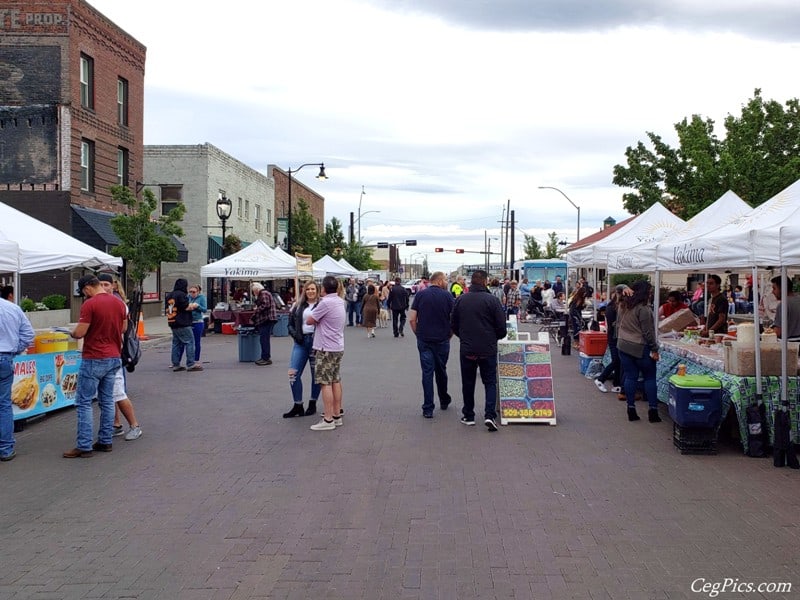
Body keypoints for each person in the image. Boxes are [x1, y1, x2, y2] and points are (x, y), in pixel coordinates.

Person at [63, 275, 128, 457]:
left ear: (87, 288)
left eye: (84, 292)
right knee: (107, 401)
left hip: (94, 356)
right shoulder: (119, 303)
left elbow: (81, 332)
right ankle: (105, 441)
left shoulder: (90, 304)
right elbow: (123, 328)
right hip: (114, 356)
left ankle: (84, 445)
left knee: (84, 402)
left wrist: (73, 333)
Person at [450, 269, 507, 432]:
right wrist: (494, 337)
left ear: (471, 281)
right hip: (488, 348)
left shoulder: (461, 300)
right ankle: (489, 415)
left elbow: (453, 324)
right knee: (489, 382)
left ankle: (468, 415)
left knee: (468, 382)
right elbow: (501, 327)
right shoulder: (492, 301)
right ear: (484, 281)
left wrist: (463, 336)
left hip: (467, 348)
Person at [97, 274, 143, 441]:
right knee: (107, 394)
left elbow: (122, 329)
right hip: (103, 354)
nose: (103, 287)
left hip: (115, 353)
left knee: (118, 393)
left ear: (113, 286)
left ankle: (134, 425)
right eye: (100, 284)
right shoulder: (97, 302)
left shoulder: (118, 304)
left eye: (106, 284)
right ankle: (115, 424)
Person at [408, 271, 454, 418]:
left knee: (427, 372)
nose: (447, 282)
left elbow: (412, 318)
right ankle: (444, 399)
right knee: (441, 370)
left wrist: (417, 333)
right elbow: (453, 319)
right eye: (445, 279)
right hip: (442, 339)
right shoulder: (447, 296)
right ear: (439, 281)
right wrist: (450, 334)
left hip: (424, 339)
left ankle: (428, 407)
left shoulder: (421, 295)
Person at [616, 280, 661, 423]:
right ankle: (653, 411)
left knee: (630, 377)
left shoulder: (623, 304)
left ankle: (631, 409)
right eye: (650, 291)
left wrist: (623, 286)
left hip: (623, 345)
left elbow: (617, 289)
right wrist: (654, 349)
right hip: (640, 347)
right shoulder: (644, 309)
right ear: (646, 293)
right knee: (650, 377)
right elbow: (648, 333)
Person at [307, 275, 346, 431]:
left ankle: (328, 419)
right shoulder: (340, 301)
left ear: (323, 288)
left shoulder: (326, 303)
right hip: (337, 345)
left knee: (325, 383)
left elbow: (310, 320)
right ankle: (336, 415)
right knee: (335, 379)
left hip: (325, 347)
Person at [0, 291, 35, 461]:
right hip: (5, 358)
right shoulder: (13, 308)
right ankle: (5, 448)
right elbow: (29, 335)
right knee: (4, 404)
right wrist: (14, 350)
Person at [283, 281, 321, 418]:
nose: (310, 291)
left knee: (316, 375)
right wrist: (295, 335)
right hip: (300, 342)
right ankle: (297, 404)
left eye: (313, 289)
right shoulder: (298, 305)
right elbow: (290, 324)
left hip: (315, 342)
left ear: (317, 290)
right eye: (308, 289)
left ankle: (313, 402)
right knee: (293, 373)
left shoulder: (321, 305)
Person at [594, 285, 626, 397]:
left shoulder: (613, 306)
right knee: (617, 360)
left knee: (619, 361)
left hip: (615, 337)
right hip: (614, 337)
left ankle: (617, 384)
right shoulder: (612, 307)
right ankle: (600, 379)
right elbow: (614, 324)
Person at [166, 278, 202, 372]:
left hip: (172, 321)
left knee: (176, 343)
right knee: (190, 341)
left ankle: (176, 364)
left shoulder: (170, 295)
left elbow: (170, 308)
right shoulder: (181, 295)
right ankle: (190, 364)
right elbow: (186, 307)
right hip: (183, 322)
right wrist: (193, 306)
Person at [251, 282, 277, 366]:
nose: (254, 293)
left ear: (257, 289)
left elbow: (266, 305)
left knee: (264, 339)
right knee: (264, 339)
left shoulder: (264, 293)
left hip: (266, 319)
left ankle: (265, 358)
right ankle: (265, 357)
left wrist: (257, 310)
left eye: (254, 291)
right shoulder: (265, 293)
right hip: (267, 319)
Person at [188, 284, 207, 362]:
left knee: (197, 341)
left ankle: (196, 359)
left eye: (194, 292)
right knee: (188, 342)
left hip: (198, 321)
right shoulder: (188, 298)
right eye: (190, 292)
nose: (192, 293)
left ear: (198, 292)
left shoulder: (201, 298)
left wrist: (197, 306)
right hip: (188, 321)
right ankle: (189, 359)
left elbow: (204, 309)